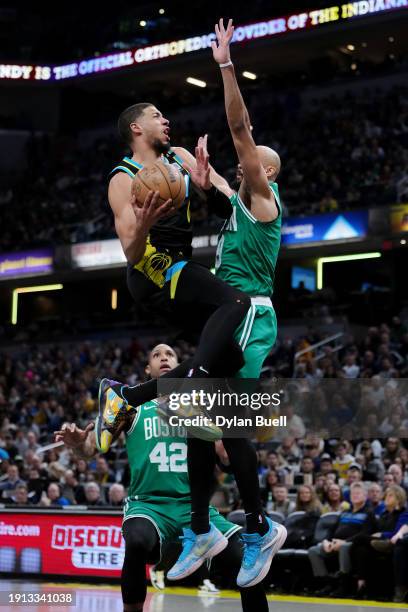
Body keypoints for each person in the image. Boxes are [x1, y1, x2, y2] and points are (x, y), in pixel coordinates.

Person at [167, 18, 287, 588]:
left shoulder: (263, 198)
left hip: (246, 313)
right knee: (222, 427)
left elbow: (240, 125)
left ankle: (211, 527)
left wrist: (224, 63)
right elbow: (223, 186)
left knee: (191, 402)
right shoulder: (244, 199)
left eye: (250, 164)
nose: (243, 166)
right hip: (241, 316)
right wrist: (205, 175)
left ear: (265, 172)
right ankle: (250, 527)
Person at [55, 344, 269, 612]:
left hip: (196, 508)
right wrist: (77, 444)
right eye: (156, 355)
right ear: (148, 369)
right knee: (136, 541)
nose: (164, 358)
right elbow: (92, 449)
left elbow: (226, 460)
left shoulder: (200, 407)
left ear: (182, 368)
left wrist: (229, 453)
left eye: (170, 355)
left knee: (246, 560)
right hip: (148, 505)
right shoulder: (130, 405)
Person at [308, 482, 376, 597]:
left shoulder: (369, 513)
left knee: (344, 547)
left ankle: (344, 586)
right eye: (353, 493)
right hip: (334, 543)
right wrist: (326, 542)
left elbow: (365, 533)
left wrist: (344, 541)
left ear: (365, 496)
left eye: (358, 493)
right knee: (313, 550)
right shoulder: (344, 513)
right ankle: (327, 584)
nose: (355, 495)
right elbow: (332, 531)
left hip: (352, 544)